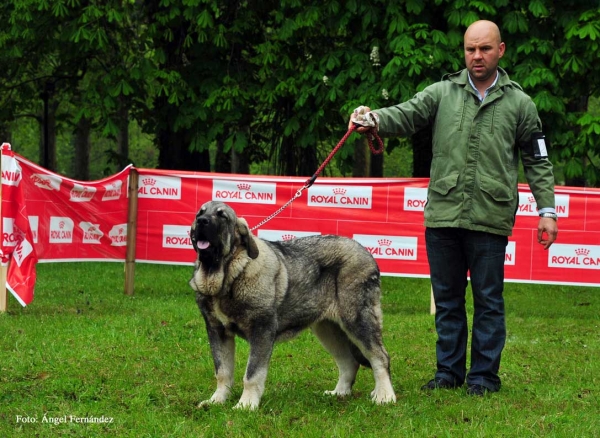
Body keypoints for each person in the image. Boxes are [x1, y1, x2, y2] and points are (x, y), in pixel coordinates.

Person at [349, 20, 558, 396]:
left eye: (485, 49)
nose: (476, 56)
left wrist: (548, 211)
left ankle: (483, 377)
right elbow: (408, 113)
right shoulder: (442, 92)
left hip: (490, 218)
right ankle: (448, 374)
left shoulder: (521, 104)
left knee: (488, 302)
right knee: (447, 302)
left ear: (501, 50)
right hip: (443, 214)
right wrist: (375, 118)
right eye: (470, 49)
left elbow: (538, 160)